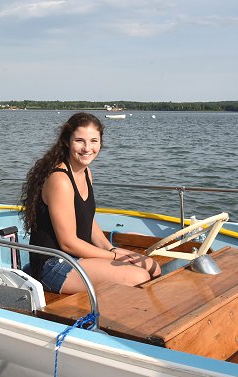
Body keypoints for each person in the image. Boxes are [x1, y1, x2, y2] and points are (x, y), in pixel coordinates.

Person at [20, 112, 160, 294]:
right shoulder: (60, 180)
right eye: (80, 140)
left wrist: (111, 248)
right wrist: (115, 256)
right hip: (53, 265)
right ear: (67, 141)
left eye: (94, 141)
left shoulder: (86, 173)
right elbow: (68, 244)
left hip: (76, 258)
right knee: (138, 277)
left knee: (152, 266)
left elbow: (88, 220)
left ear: (100, 143)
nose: (87, 148)